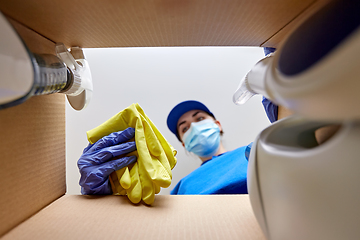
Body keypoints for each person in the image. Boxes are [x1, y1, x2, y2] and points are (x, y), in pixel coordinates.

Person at [166, 100, 252, 195]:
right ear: (184, 144)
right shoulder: (183, 186)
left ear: (217, 125)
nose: (194, 127)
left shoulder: (250, 153)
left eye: (200, 118)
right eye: (185, 128)